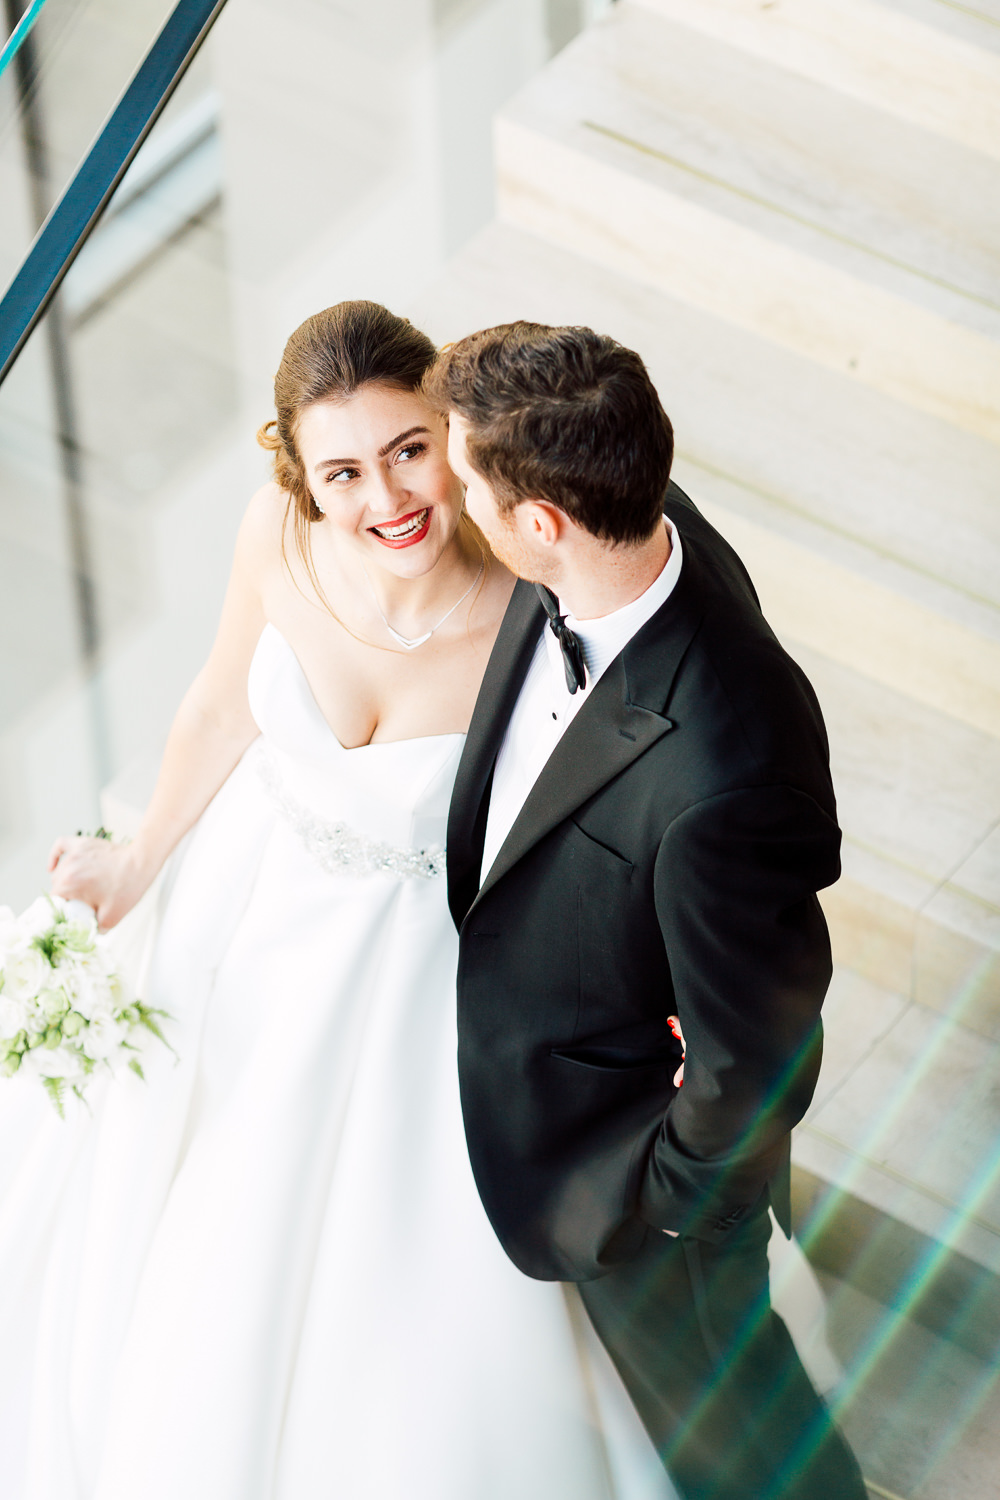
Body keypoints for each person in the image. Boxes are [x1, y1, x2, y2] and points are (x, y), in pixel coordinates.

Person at [2, 302, 678, 1499]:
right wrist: (140, 854)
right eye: (344, 471)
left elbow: (614, 828)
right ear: (301, 481)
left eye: (410, 448)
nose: (388, 498)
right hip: (238, 917)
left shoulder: (536, 602)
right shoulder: (277, 538)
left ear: (452, 434)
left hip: (417, 983)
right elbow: (219, 705)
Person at [426, 321, 868, 1500]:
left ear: (538, 525)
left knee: (748, 1452)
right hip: (550, 1097)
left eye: (463, 478)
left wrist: (659, 1210)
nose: (449, 493)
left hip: (639, 1196)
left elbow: (757, 1051)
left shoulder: (727, 764)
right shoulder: (612, 513)